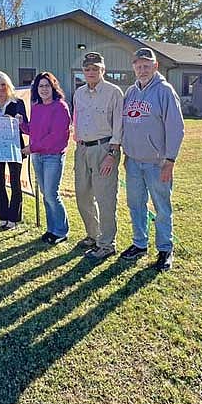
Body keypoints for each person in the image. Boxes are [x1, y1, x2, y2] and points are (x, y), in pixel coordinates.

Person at [120, 47, 184, 271]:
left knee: (162, 207)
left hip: (157, 163)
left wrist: (170, 160)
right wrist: (126, 153)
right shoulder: (130, 92)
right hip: (134, 162)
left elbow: (176, 128)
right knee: (136, 205)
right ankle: (139, 244)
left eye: (147, 65)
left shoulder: (164, 91)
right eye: (138, 66)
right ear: (134, 68)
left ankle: (165, 249)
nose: (142, 69)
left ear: (155, 66)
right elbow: (125, 125)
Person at [73, 52, 123, 260]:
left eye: (95, 68)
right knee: (83, 196)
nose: (91, 72)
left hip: (104, 149)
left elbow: (119, 125)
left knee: (105, 199)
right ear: (83, 72)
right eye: (87, 69)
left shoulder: (114, 92)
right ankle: (93, 236)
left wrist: (113, 153)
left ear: (103, 70)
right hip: (82, 149)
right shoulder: (79, 93)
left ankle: (107, 244)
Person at [18, 72, 71, 245]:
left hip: (52, 157)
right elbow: (34, 131)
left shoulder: (60, 107)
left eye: (47, 85)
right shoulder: (37, 106)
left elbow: (55, 137)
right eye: (40, 86)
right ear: (36, 89)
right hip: (37, 156)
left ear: (53, 87)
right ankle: (51, 229)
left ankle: (61, 231)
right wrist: (20, 124)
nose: (44, 89)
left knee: (51, 194)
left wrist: (30, 148)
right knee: (45, 194)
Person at [0, 71, 28, 229]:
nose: (1, 88)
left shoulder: (18, 103)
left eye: (3, 84)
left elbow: (26, 128)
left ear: (8, 85)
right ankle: (2, 216)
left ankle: (14, 218)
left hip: (15, 149)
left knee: (16, 183)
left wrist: (20, 122)